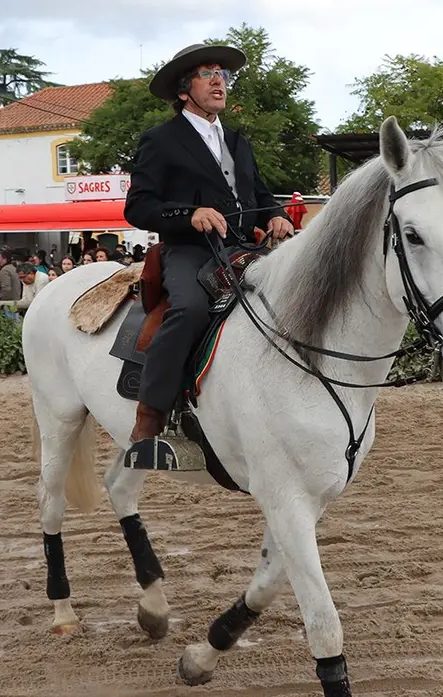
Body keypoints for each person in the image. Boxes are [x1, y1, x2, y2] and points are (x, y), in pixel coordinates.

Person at [123, 42, 294, 448]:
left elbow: (259, 194)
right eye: (207, 74)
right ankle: (150, 415)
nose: (220, 81)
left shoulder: (237, 141)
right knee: (189, 310)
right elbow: (138, 206)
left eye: (223, 74)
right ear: (184, 91)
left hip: (244, 248)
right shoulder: (160, 140)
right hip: (190, 251)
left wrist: (276, 215)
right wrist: (190, 214)